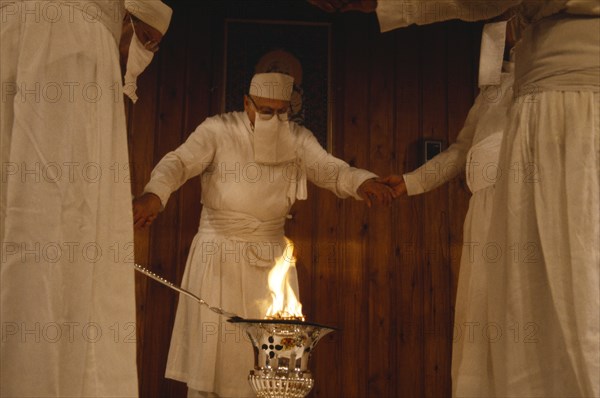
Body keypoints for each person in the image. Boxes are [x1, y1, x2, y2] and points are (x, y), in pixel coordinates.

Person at [308, 1, 600, 397]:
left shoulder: (538, 91)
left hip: (563, 134)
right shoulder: (492, 96)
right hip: (499, 212)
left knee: (574, 289)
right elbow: (460, 151)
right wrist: (409, 183)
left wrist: (381, 4)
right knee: (504, 312)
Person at [132, 72, 395, 397]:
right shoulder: (218, 129)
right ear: (247, 103)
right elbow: (179, 162)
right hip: (218, 257)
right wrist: (154, 195)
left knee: (272, 368)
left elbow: (330, 169)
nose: (274, 119)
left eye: (282, 112)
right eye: (265, 111)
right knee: (213, 363)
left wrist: (361, 182)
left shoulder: (297, 138)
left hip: (271, 259)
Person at [0, 1, 171, 396]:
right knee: (54, 235)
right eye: (145, 39)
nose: (139, 54)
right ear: (130, 18)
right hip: (67, 42)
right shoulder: (77, 36)